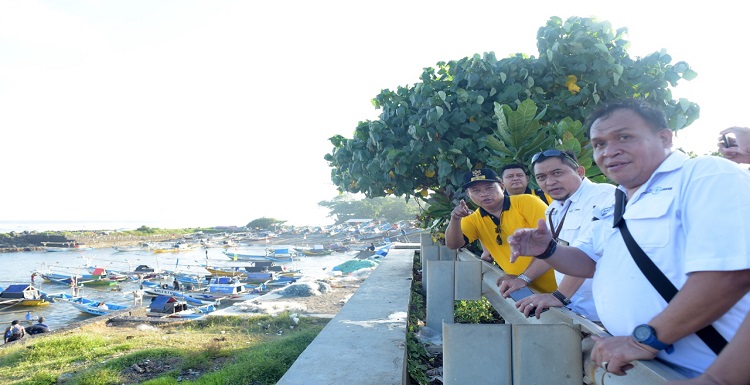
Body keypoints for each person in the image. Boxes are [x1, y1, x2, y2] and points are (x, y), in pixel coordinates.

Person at [507, 99, 750, 377]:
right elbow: (588, 262)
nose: (610, 151)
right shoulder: (618, 200)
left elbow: (730, 274)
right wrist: (548, 249)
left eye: (624, 137)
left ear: (664, 138)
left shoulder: (704, 174)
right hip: (645, 366)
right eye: (599, 144)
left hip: (706, 369)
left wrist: (644, 340)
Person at [498, 150, 615, 321]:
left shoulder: (604, 197)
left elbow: (590, 255)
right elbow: (553, 252)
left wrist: (559, 296)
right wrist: (523, 279)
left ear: (580, 172)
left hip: (604, 311)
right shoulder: (554, 209)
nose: (550, 182)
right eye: (541, 177)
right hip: (575, 309)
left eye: (557, 173)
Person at [445, 168, 557, 292]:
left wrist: (523, 278)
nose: (484, 194)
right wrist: (455, 219)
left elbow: (552, 243)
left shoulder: (527, 202)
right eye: (475, 190)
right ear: (468, 194)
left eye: (489, 188)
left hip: (564, 287)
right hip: (528, 292)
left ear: (502, 187)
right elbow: (453, 244)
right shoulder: (472, 219)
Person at [479, 164, 552, 262]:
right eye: (510, 176)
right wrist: (486, 249)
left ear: (527, 178)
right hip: (514, 262)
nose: (515, 179)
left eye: (519, 175)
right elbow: (485, 226)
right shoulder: (494, 206)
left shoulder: (545, 196)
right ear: (502, 182)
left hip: (549, 255)